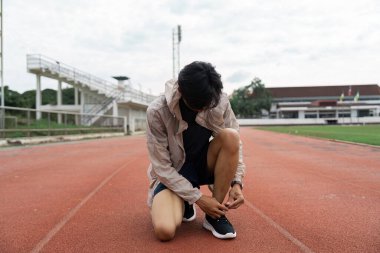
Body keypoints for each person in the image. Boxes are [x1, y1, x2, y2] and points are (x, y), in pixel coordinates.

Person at [146, 61, 245, 241]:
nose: (205, 108)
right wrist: (197, 198)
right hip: (174, 172)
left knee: (231, 136)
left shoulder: (218, 100)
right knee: (165, 231)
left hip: (203, 164)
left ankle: (214, 216)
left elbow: (235, 145)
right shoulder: (157, 111)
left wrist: (237, 183)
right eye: (199, 106)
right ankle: (184, 201)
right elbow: (161, 167)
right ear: (182, 92)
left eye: (208, 104)